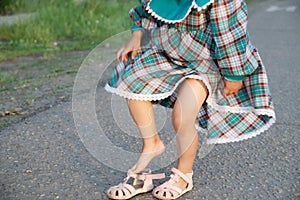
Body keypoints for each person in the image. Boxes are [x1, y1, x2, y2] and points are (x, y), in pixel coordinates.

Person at [105, 0, 275, 199]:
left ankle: (184, 174)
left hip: (206, 61)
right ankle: (151, 145)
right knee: (132, 81)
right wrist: (137, 35)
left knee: (182, 116)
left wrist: (233, 74)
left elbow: (229, 34)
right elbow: (144, 9)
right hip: (168, 53)